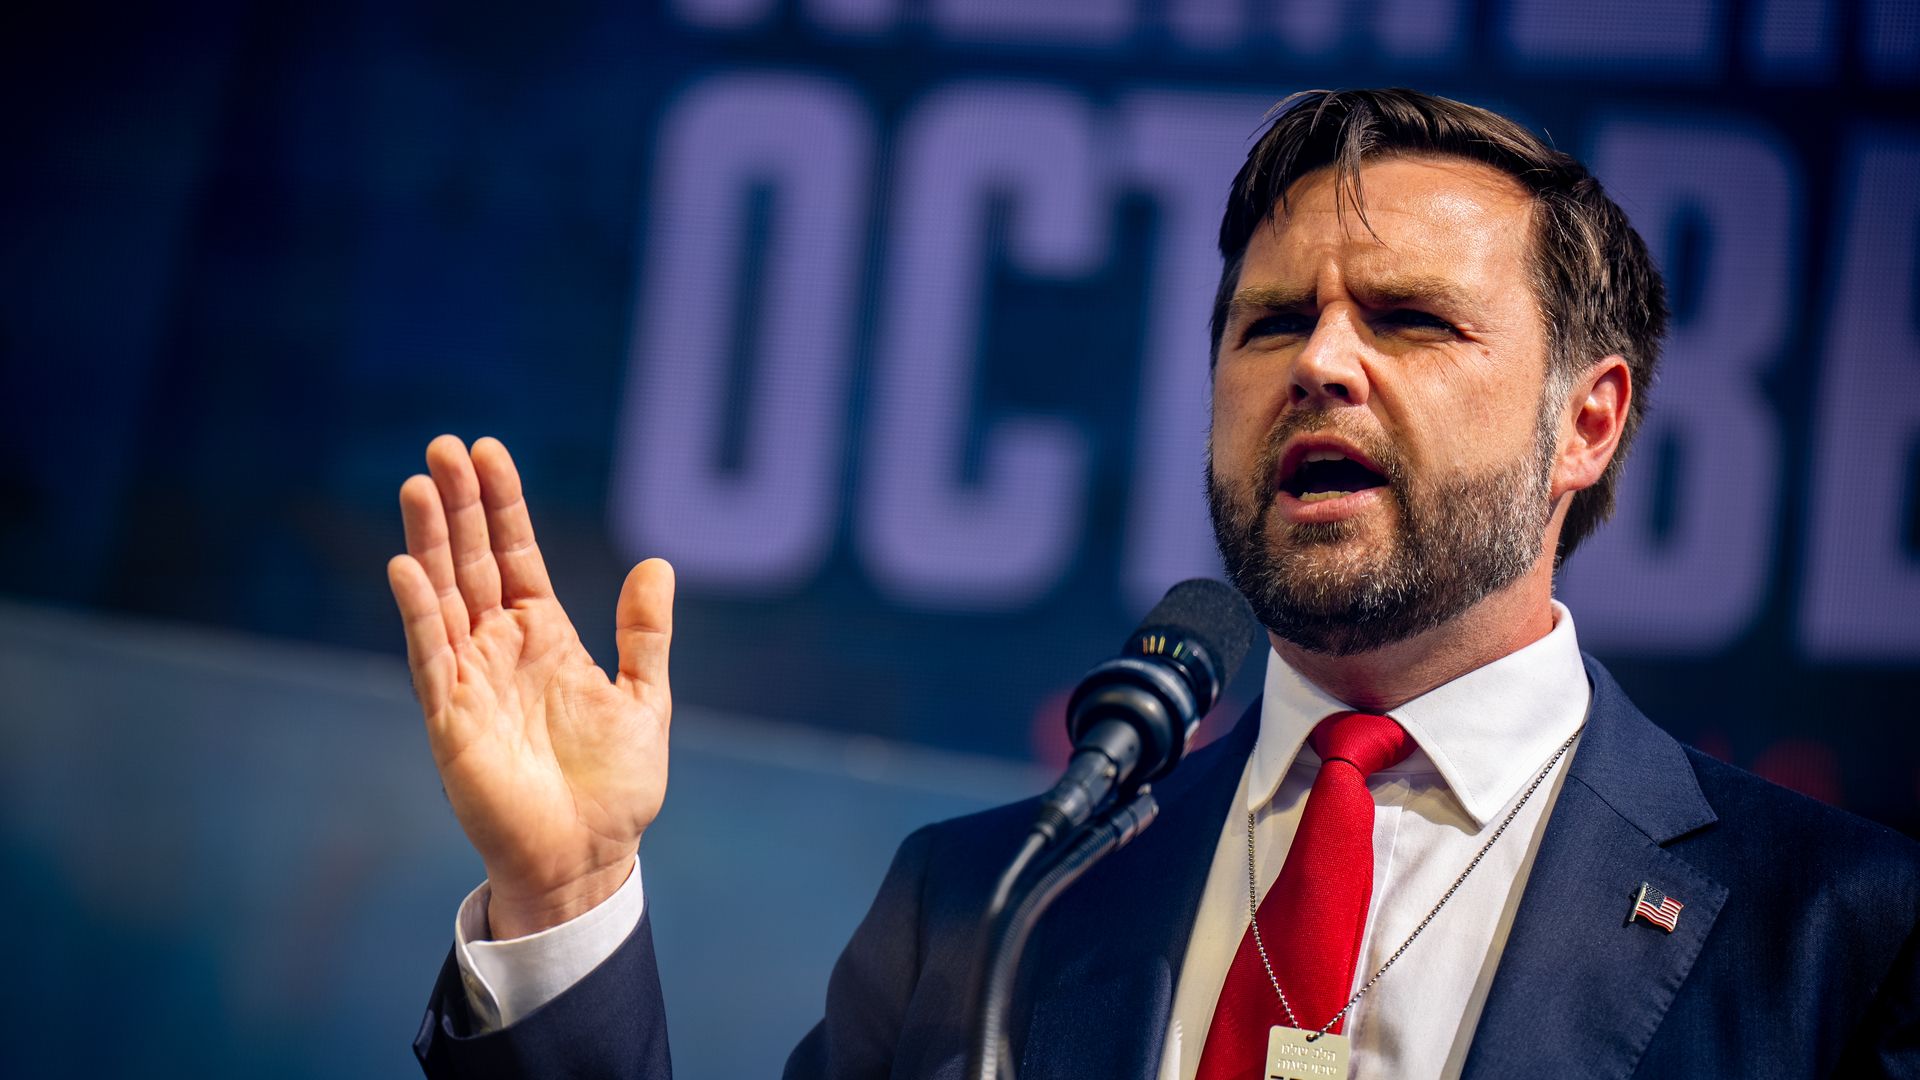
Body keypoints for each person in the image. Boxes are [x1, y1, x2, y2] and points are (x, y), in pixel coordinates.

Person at [388, 89, 1920, 1079]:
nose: (1320, 362)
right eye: (1268, 325)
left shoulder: (1837, 935)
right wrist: (570, 895)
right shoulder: (990, 906)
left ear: (1586, 421)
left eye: (1409, 320)